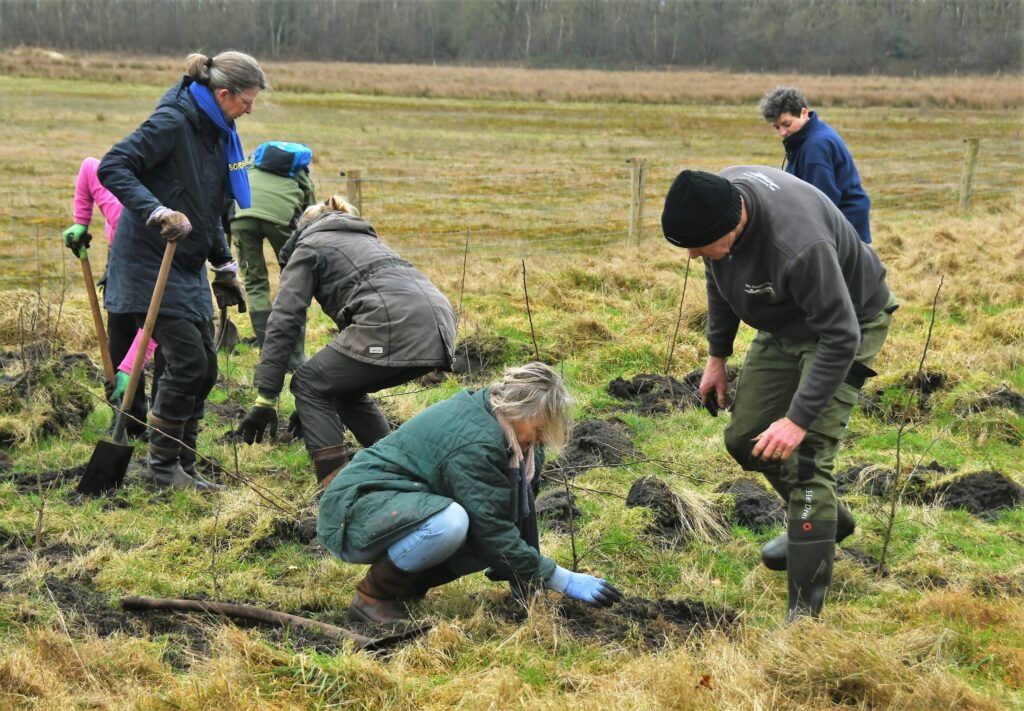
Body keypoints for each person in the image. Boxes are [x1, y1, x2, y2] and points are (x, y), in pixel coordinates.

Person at [661, 167, 898, 621]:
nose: (692, 255)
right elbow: (718, 274)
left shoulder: (798, 244)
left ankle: (804, 615)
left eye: (697, 244)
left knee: (804, 458)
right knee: (745, 438)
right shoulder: (718, 200)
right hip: (784, 324)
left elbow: (840, 335)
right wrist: (717, 356)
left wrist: (798, 420)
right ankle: (829, 521)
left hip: (845, 326)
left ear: (734, 223)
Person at [317, 362, 623, 623]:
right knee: (452, 523)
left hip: (401, 506)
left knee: (480, 533)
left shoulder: (522, 445)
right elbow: (492, 529)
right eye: (541, 428)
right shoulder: (481, 443)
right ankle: (372, 597)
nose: (543, 438)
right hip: (356, 510)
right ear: (520, 409)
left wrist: (529, 585)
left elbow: (515, 518)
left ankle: (406, 588)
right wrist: (561, 578)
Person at [98, 50, 265, 491]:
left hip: (186, 262)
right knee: (188, 363)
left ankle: (182, 463)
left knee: (205, 368)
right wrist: (155, 211)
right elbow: (113, 165)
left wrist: (224, 264)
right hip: (149, 262)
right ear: (223, 93)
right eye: (247, 100)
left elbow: (208, 208)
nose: (251, 108)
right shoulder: (173, 123)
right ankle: (162, 468)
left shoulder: (217, 134)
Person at [237, 195, 457, 490]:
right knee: (344, 391)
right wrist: (318, 411)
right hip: (440, 326)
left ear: (304, 227)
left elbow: (284, 319)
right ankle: (403, 472)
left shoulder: (310, 245)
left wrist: (266, 396)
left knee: (307, 383)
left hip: (394, 325)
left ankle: (335, 491)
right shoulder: (366, 241)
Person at [61, 157, 151, 439]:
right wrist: (81, 221)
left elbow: (155, 326)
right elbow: (87, 167)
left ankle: (165, 425)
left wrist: (129, 367)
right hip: (119, 260)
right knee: (119, 336)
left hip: (154, 263)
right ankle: (128, 420)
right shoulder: (110, 189)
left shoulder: (155, 219)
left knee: (164, 342)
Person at [230, 141, 317, 369]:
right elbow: (311, 210)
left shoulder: (252, 164)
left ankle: (269, 354)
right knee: (295, 282)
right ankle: (295, 356)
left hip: (243, 217)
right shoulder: (298, 170)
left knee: (255, 283)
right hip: (281, 221)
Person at [759, 86, 873, 244]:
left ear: (803, 113)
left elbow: (821, 200)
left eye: (786, 124)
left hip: (844, 225)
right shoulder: (807, 137)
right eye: (777, 127)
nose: (782, 132)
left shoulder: (816, 147)